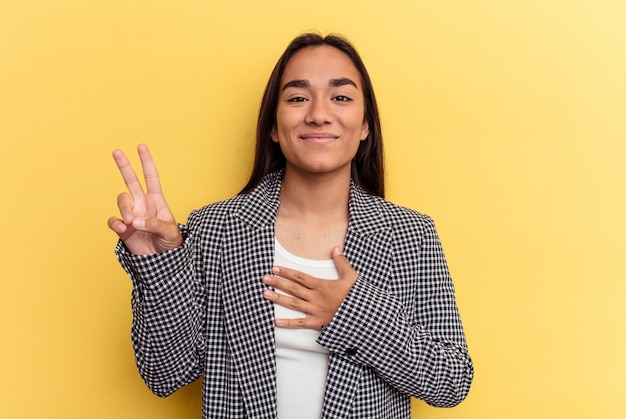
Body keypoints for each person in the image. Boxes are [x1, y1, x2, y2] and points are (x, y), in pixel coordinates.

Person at [109, 33, 473, 418]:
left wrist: (355, 312)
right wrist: (158, 265)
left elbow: (450, 381)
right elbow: (166, 374)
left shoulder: (409, 235)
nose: (318, 113)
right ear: (272, 125)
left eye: (341, 97)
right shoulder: (214, 228)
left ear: (365, 125)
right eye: (298, 98)